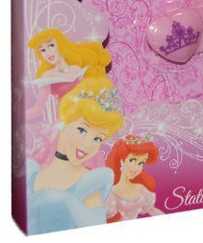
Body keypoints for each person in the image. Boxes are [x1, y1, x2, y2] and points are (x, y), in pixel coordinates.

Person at [26, 77, 123, 234]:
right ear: (63, 122)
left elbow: (97, 226)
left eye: (98, 139)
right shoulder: (31, 170)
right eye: (82, 130)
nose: (88, 145)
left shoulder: (89, 182)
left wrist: (68, 200)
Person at [27, 28, 111, 121]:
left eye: (51, 45)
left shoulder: (77, 68)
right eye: (42, 50)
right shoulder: (46, 76)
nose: (48, 53)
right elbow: (38, 108)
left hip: (88, 117)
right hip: (67, 119)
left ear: (60, 44)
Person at [105, 134, 163, 222]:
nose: (136, 167)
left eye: (141, 163)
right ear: (121, 160)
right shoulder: (110, 193)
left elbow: (153, 210)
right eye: (132, 160)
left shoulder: (141, 189)